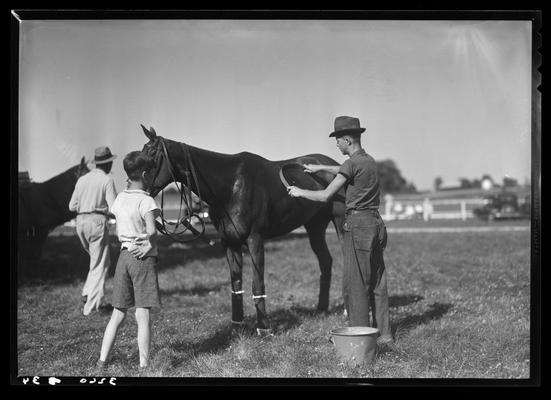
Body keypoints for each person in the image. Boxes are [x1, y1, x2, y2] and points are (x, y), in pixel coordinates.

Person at [287, 116, 394, 350]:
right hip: (376, 223)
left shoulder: (351, 165)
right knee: (378, 281)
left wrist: (299, 192)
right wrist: (320, 167)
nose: (336, 144)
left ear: (347, 140)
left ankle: (360, 343)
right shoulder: (369, 161)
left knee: (355, 285)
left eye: (337, 140)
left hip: (358, 226)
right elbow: (346, 169)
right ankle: (385, 335)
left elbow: (325, 195)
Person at [97, 151, 161, 372]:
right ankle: (144, 366)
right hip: (141, 259)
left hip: (123, 258)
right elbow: (152, 230)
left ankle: (102, 361)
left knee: (118, 313)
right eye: (151, 174)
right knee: (142, 315)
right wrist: (148, 243)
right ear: (144, 173)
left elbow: (117, 214)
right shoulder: (146, 200)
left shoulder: (120, 199)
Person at [69, 146, 118, 315]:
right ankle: (91, 308)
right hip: (97, 220)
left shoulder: (82, 180)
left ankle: (87, 292)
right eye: (110, 162)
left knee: (95, 261)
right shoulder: (106, 180)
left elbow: (71, 206)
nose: (111, 166)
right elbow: (114, 207)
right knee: (101, 264)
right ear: (107, 164)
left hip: (80, 222)